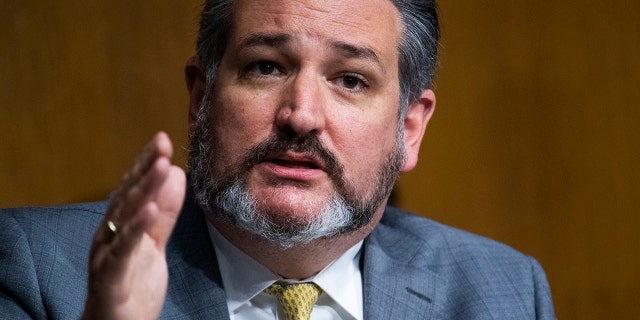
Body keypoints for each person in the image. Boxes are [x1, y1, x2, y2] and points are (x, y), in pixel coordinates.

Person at [0, 0, 556, 319]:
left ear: (409, 129)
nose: (301, 114)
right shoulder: (39, 270)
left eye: (350, 80)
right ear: (201, 99)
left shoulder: (502, 291)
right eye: (266, 67)